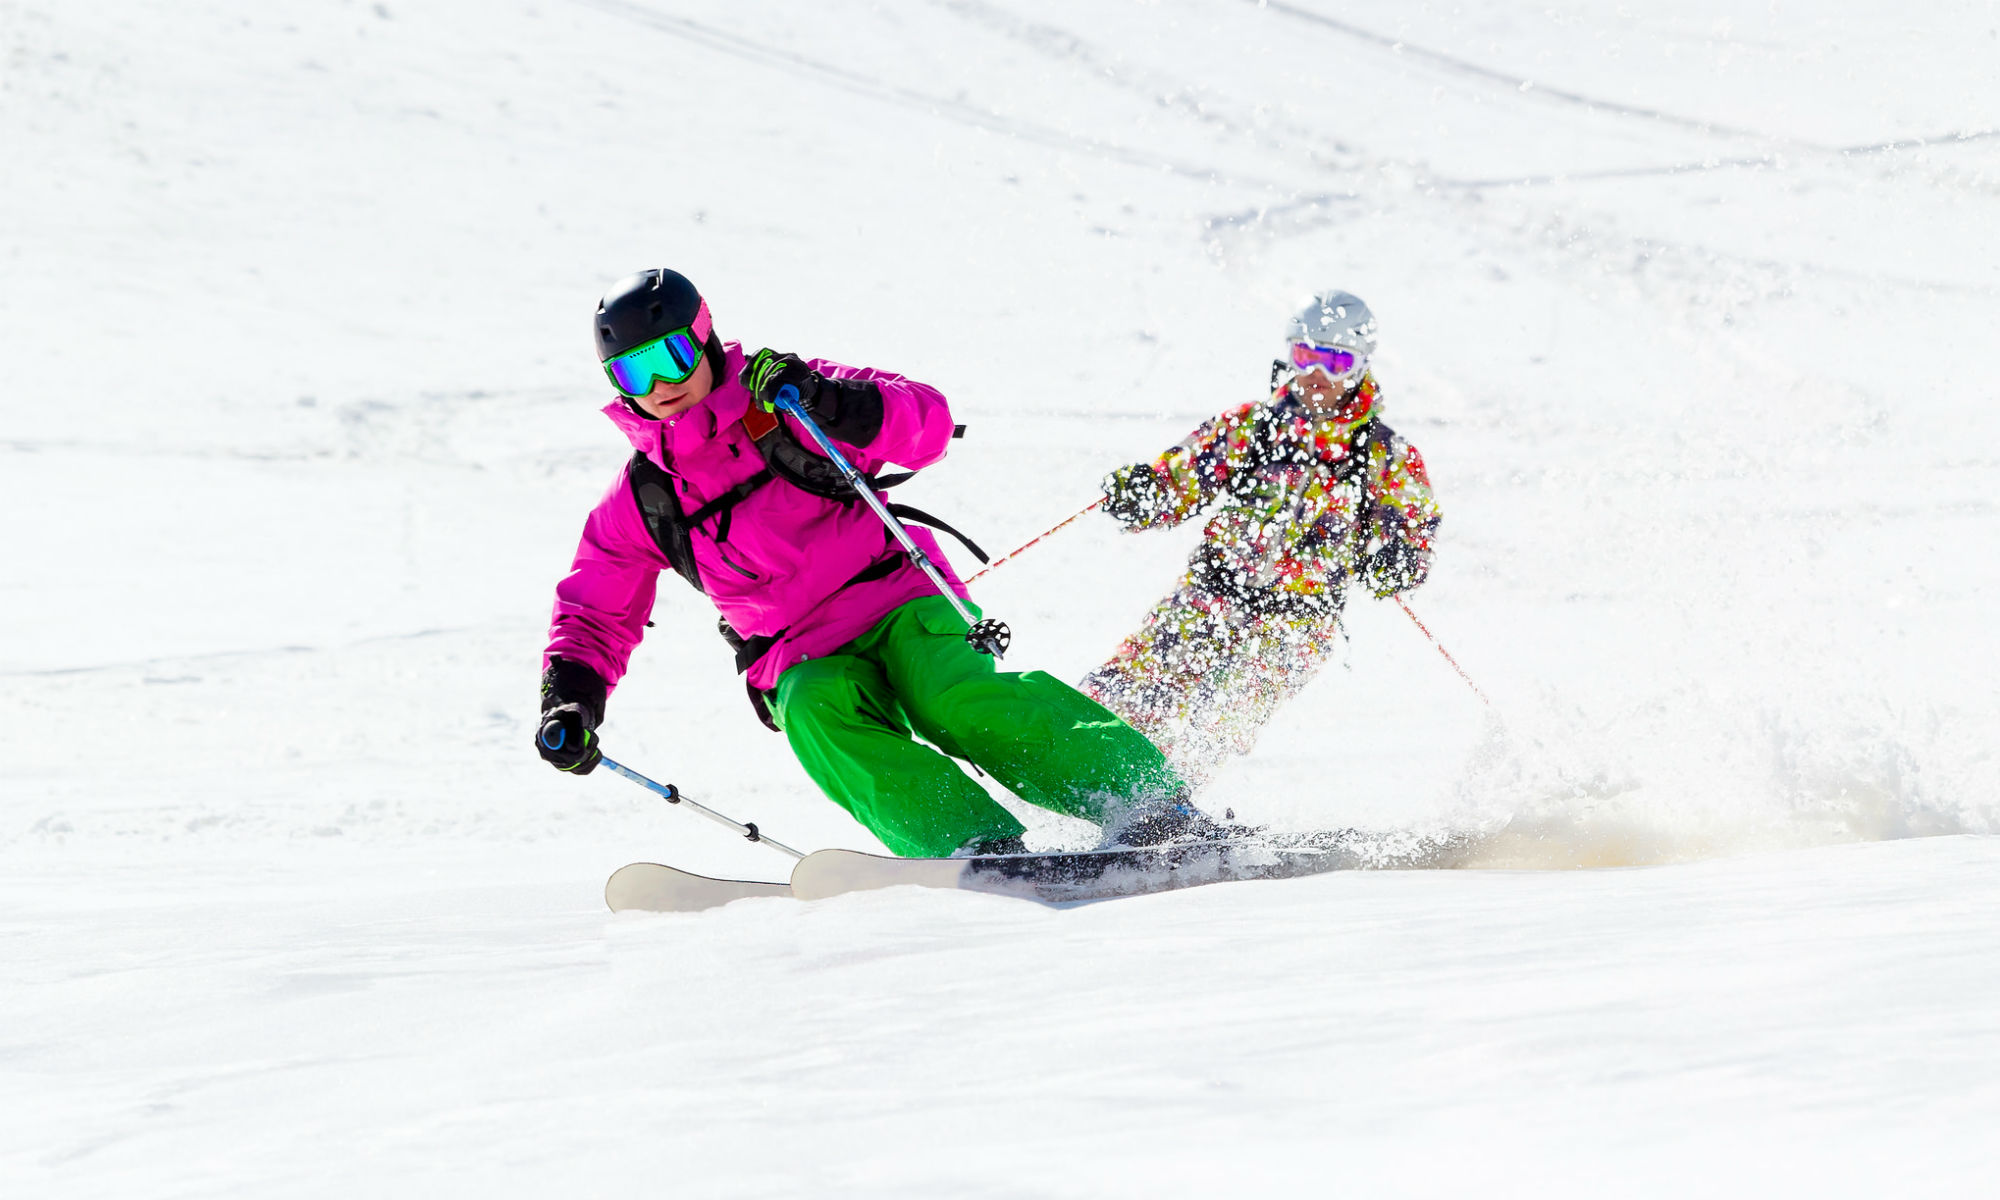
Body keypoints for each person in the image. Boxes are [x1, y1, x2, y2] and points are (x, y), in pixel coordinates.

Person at [537, 268, 1193, 858]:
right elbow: (594, 606)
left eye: (672, 358)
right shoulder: (646, 495)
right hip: (797, 650)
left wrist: (829, 401)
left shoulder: (781, 395)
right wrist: (570, 700)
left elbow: (927, 424)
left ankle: (1146, 803)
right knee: (815, 710)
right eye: (633, 373)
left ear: (704, 339)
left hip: (900, 595)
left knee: (954, 699)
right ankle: (972, 844)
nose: (659, 387)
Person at [1080, 290, 1441, 788]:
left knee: (1217, 723)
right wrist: (1147, 492)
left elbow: (1414, 526)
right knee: (1125, 697)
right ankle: (1081, 783)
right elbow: (1184, 477)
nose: (1318, 374)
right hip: (1209, 596)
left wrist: (1398, 558)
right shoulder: (1252, 425)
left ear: (1360, 366)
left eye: (1337, 361)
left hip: (1295, 622)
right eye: (1306, 355)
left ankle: (1163, 812)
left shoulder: (1383, 452)